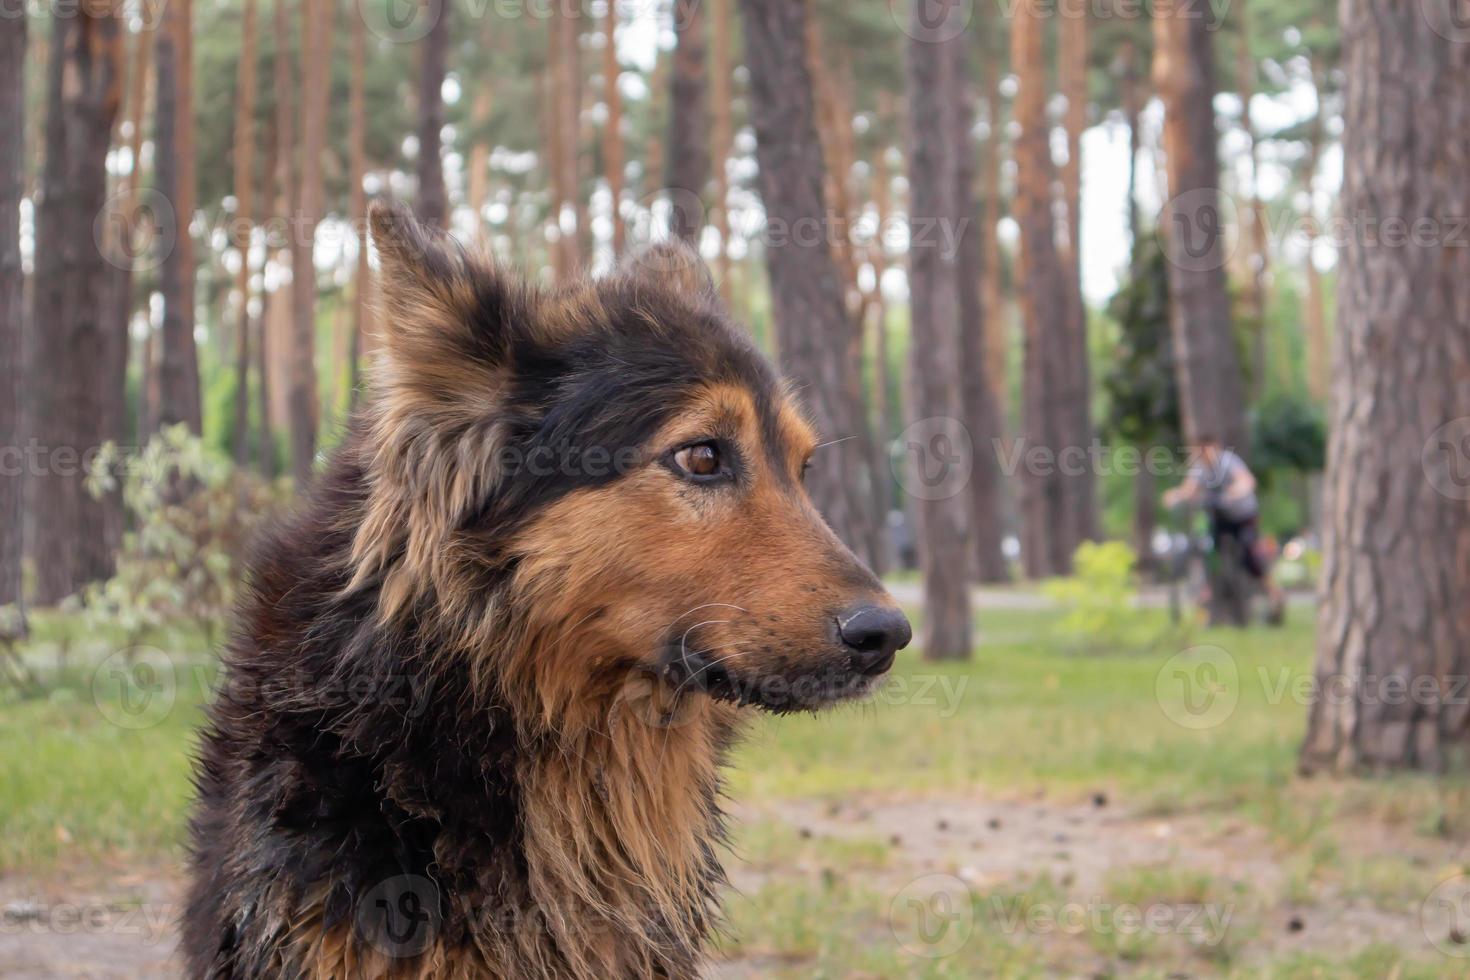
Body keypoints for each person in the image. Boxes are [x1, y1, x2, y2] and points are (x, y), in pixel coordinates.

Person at [1162, 435, 1286, 621]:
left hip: (1242, 516)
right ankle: (1208, 593)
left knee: (1250, 556)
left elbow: (1246, 481)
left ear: (1215, 447)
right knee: (1209, 552)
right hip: (1219, 517)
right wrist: (1175, 496)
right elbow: (1189, 490)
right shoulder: (1199, 469)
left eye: (1205, 449)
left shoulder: (1228, 462)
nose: (1203, 455)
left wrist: (1235, 492)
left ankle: (1275, 593)